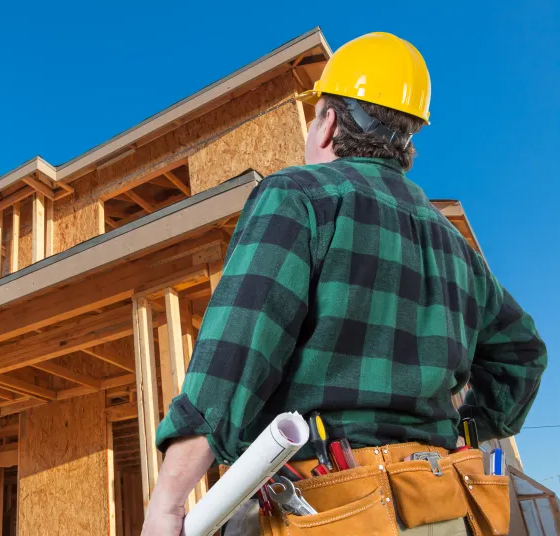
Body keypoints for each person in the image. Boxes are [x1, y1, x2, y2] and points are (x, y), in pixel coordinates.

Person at [142, 32, 547, 535]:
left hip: (323, 507)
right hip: (440, 505)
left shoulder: (298, 197)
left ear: (329, 122)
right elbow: (523, 355)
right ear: (407, 143)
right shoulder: (453, 245)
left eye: (316, 116)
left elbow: (235, 356)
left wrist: (168, 502)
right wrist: (462, 429)